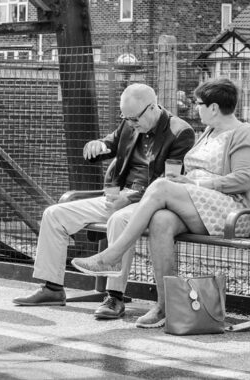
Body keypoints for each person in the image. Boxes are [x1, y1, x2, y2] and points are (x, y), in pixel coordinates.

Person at [72, 78, 250, 328]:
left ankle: (112, 255)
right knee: (160, 220)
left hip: (234, 213)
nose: (196, 108)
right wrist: (186, 180)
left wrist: (195, 184)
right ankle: (165, 306)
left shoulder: (244, 133)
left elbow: (243, 179)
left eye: (199, 104)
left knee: (161, 185)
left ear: (214, 107)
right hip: (203, 207)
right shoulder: (208, 133)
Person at [12, 83, 195, 319]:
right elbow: (110, 144)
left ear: (151, 108)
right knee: (54, 214)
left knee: (119, 220)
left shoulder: (180, 132)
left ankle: (114, 297)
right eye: (125, 118)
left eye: (134, 119)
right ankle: (52, 288)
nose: (130, 123)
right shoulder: (130, 123)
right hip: (118, 195)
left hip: (152, 202)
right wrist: (97, 145)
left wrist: (130, 198)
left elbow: (169, 182)